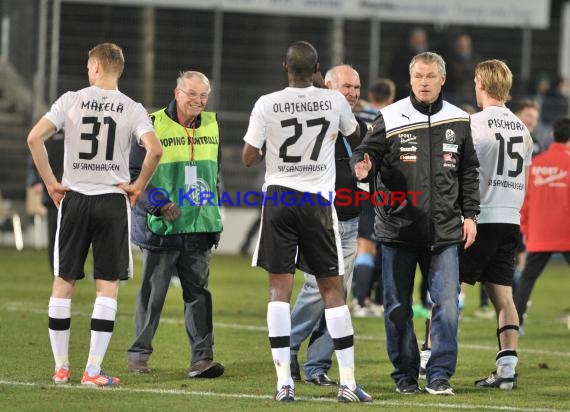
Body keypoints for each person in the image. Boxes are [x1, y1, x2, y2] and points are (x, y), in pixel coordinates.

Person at [242, 40, 372, 403]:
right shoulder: (333, 101)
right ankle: (347, 383)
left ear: (285, 66)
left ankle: (284, 383)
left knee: (278, 290)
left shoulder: (266, 103)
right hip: (317, 200)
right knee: (333, 290)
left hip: (280, 198)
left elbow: (249, 156)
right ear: (318, 70)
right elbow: (354, 135)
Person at [27, 42, 162, 386]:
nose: (88, 71)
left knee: (63, 281)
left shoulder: (70, 99)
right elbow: (155, 150)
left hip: (74, 199)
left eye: (89, 66)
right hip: (112, 202)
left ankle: (61, 368)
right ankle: (92, 371)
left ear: (98, 67)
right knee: (107, 287)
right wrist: (138, 186)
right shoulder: (132, 108)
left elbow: (34, 139)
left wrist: (52, 183)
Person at [351, 51, 480, 396]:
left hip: (446, 232)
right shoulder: (390, 117)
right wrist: (361, 166)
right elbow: (365, 154)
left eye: (430, 76)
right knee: (397, 309)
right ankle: (405, 376)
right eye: (418, 76)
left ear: (442, 79)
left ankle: (439, 375)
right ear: (410, 80)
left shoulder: (459, 120)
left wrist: (471, 216)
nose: (424, 82)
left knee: (448, 307)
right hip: (399, 231)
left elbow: (469, 173)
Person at [127, 71, 225, 379]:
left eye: (203, 96)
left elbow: (214, 171)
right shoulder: (152, 124)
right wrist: (157, 203)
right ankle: (139, 355)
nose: (198, 101)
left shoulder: (212, 123)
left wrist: (214, 207)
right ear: (177, 92)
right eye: (192, 94)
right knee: (152, 294)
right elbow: (133, 172)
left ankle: (202, 359)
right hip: (162, 225)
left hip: (199, 225)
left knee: (199, 294)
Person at [289, 64, 367, 386]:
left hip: (350, 220)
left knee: (339, 296)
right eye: (346, 87)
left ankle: (317, 366)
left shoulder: (359, 127)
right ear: (329, 87)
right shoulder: (316, 122)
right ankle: (287, 345)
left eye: (356, 88)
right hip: (320, 219)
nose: (352, 93)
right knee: (316, 290)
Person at [460, 59, 533, 389]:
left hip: (481, 218)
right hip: (510, 220)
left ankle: (430, 359)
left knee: (447, 290)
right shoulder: (524, 129)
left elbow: (460, 174)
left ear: (481, 83)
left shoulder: (473, 123)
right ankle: (506, 373)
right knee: (504, 297)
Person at [514, 116, 570, 333]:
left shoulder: (536, 164)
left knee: (527, 280)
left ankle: (515, 324)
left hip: (539, 232)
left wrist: (526, 230)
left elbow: (524, 201)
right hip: (566, 232)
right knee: (527, 278)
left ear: (553, 135)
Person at [352, 77, 396, 317]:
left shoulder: (356, 119)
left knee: (363, 246)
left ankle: (360, 301)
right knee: (382, 244)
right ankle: (376, 300)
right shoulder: (391, 120)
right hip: (386, 190)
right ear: (390, 98)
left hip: (358, 188)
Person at [26, 131, 64, 271]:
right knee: (54, 233)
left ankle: (66, 267)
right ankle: (55, 268)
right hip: (52, 193)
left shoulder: (72, 133)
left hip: (70, 191)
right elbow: (33, 157)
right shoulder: (45, 136)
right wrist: (35, 181)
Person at [390, 28, 429, 100]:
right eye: (418, 40)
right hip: (405, 92)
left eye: (422, 40)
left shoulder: (429, 55)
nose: (420, 43)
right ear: (412, 40)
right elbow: (397, 74)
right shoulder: (401, 55)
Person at [445, 34, 480, 107]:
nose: (464, 48)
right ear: (457, 46)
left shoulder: (476, 60)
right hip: (455, 93)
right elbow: (455, 75)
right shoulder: (451, 60)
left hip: (472, 93)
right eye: (461, 45)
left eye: (466, 45)